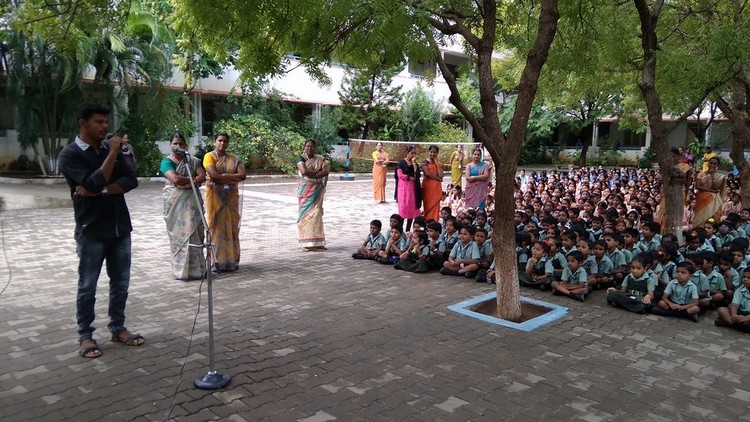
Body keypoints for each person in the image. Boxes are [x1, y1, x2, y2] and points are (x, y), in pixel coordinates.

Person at [58, 103, 143, 359]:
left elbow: (130, 180)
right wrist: (112, 154)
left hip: (120, 228)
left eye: (106, 122)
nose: (105, 126)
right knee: (87, 285)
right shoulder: (70, 155)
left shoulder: (109, 149)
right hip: (91, 230)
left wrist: (102, 191)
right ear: (83, 124)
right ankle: (85, 335)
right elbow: (92, 181)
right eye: (99, 122)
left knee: (121, 283)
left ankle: (118, 328)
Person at [161, 133, 206, 281]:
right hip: (175, 205)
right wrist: (193, 181)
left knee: (195, 235)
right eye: (175, 143)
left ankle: (198, 270)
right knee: (180, 237)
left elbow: (202, 176)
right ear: (170, 145)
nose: (178, 146)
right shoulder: (166, 162)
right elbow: (174, 178)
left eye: (181, 144)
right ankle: (181, 271)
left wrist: (187, 183)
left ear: (185, 145)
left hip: (193, 204)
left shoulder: (192, 161)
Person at [204, 132, 247, 268]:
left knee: (232, 226)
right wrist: (232, 178)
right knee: (216, 227)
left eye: (225, 141)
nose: (222, 143)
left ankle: (231, 261)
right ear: (215, 141)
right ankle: (217, 262)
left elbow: (242, 175)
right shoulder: (209, 156)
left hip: (231, 197)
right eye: (220, 140)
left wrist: (223, 176)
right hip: (215, 197)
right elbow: (212, 175)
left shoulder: (234, 159)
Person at [296, 139, 330, 251]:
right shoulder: (300, 158)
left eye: (311, 146)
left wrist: (314, 174)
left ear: (315, 147)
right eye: (307, 146)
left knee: (317, 215)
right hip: (305, 192)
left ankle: (317, 242)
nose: (309, 148)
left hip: (317, 191)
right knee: (304, 216)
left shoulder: (320, 158)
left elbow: (326, 171)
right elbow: (304, 172)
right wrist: (318, 173)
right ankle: (303, 243)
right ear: (304, 147)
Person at [394, 146, 422, 232]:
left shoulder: (415, 164)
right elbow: (399, 175)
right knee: (403, 208)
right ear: (407, 153)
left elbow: (417, 175)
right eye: (412, 153)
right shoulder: (401, 162)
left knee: (412, 208)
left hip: (413, 189)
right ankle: (399, 230)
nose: (413, 155)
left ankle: (408, 230)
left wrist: (414, 164)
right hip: (403, 188)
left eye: (414, 153)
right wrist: (408, 178)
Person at [694, 157, 726, 228]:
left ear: (717, 165)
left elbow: (716, 187)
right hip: (702, 198)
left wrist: (712, 175)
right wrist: (710, 190)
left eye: (714, 164)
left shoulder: (720, 176)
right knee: (700, 219)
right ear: (708, 163)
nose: (712, 165)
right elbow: (697, 186)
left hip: (714, 200)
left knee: (713, 219)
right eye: (711, 163)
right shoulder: (701, 174)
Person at [715, 268, 750, 332]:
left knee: (747, 322)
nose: (745, 279)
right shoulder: (739, 290)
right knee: (721, 310)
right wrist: (734, 315)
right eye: (744, 277)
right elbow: (735, 304)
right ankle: (739, 325)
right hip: (740, 313)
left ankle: (729, 323)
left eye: (748, 278)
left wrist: (746, 318)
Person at [421, 145, 444, 221]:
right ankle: (427, 221)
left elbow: (441, 175)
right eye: (431, 152)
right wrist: (438, 178)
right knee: (428, 205)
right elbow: (427, 174)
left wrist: (437, 163)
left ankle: (435, 221)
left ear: (437, 153)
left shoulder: (439, 164)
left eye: (435, 152)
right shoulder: (425, 162)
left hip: (436, 188)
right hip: (428, 187)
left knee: (436, 205)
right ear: (428, 152)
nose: (433, 154)